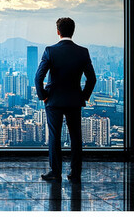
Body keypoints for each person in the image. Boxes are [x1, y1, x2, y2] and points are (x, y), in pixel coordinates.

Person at [35, 17, 96, 181]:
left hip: (53, 100)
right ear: (73, 31)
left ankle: (55, 173)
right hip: (74, 100)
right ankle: (75, 173)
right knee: (76, 137)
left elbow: (38, 77)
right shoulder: (83, 52)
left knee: (55, 137)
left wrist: (44, 97)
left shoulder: (50, 51)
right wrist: (83, 96)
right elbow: (92, 79)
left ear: (58, 31)